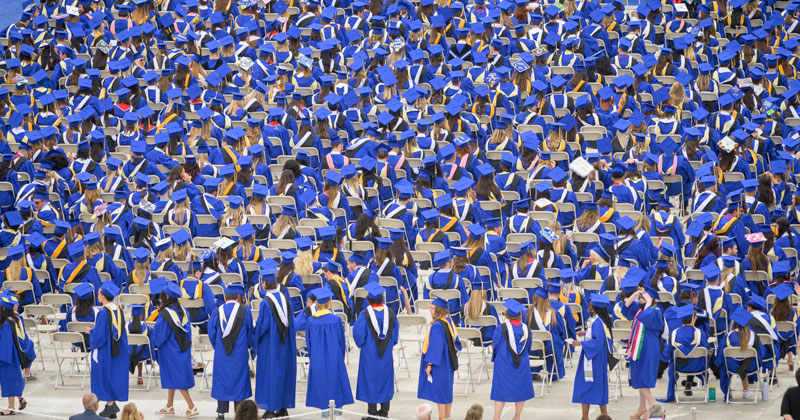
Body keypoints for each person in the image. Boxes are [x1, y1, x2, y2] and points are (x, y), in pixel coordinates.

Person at [254, 270, 297, 419]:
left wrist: (254, 337)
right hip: (286, 344)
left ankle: (271, 409)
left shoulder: (266, 303)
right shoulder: (285, 298)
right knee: (284, 373)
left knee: (271, 374)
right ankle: (283, 408)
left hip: (271, 345)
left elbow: (262, 326)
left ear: (264, 284)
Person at [208, 283, 253, 420]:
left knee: (222, 381)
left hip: (222, 354)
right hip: (239, 353)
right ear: (239, 296)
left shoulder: (217, 311)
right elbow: (250, 332)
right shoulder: (245, 311)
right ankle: (238, 412)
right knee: (238, 381)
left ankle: (220, 413)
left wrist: (219, 347)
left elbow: (211, 333)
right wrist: (249, 346)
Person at [353, 283, 398, 420]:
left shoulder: (365, 314)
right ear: (382, 298)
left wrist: (363, 344)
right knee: (384, 378)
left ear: (368, 300)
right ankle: (384, 412)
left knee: (370, 379)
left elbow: (359, 335)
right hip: (385, 354)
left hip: (369, 354)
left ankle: (372, 413)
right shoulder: (390, 313)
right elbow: (394, 336)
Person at [153, 282, 198, 418]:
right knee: (172, 376)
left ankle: (192, 406)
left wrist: (153, 339)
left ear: (166, 296)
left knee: (177, 378)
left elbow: (160, 335)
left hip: (170, 351)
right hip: (182, 349)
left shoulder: (166, 314)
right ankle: (169, 405)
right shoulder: (183, 310)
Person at [305, 288, 354, 413]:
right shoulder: (335, 320)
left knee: (321, 382)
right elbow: (341, 341)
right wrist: (340, 356)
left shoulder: (311, 321)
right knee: (335, 381)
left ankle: (324, 411)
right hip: (334, 356)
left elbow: (308, 343)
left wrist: (313, 357)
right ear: (328, 303)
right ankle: (337, 410)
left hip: (317, 358)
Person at [87, 281, 129, 419]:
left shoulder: (103, 313)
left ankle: (111, 405)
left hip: (105, 350)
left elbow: (99, 337)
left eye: (99, 293)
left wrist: (90, 332)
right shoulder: (119, 310)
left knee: (103, 375)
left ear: (103, 296)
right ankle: (111, 406)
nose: (97, 295)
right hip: (118, 349)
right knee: (113, 375)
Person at [417, 297, 462, 420]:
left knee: (440, 391)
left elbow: (435, 347)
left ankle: (442, 417)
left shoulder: (437, 326)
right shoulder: (448, 321)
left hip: (439, 362)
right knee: (446, 390)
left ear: (439, 310)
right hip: (448, 361)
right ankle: (447, 416)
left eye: (432, 308)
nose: (430, 310)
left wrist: (429, 364)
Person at [573, 294, 615, 420]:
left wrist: (580, 343)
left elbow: (597, 343)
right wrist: (585, 333)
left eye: (591, 303)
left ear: (594, 306)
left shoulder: (597, 323)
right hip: (597, 359)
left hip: (592, 360)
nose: (589, 304)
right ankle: (604, 415)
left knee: (586, 386)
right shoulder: (600, 320)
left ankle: (585, 417)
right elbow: (597, 337)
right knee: (599, 386)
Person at [491, 299, 533, 420]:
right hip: (521, 363)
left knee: (500, 392)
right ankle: (517, 416)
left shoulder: (501, 328)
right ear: (520, 314)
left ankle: (496, 417)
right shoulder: (527, 329)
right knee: (520, 391)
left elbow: (496, 344)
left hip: (503, 363)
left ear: (507, 314)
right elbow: (528, 347)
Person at [626, 287, 664, 419]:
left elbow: (646, 317)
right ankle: (642, 408)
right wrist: (634, 294)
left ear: (651, 299)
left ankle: (656, 408)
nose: (640, 300)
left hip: (648, 349)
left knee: (642, 379)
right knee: (640, 377)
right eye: (641, 298)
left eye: (643, 298)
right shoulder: (639, 310)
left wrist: (648, 302)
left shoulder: (656, 312)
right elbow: (626, 308)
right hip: (639, 349)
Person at [0, 290, 31, 416]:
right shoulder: (15, 318)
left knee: (9, 380)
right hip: (13, 354)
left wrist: (3, 358)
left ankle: (11, 408)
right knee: (13, 379)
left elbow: (6, 343)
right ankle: (20, 399)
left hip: (7, 355)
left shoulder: (7, 323)